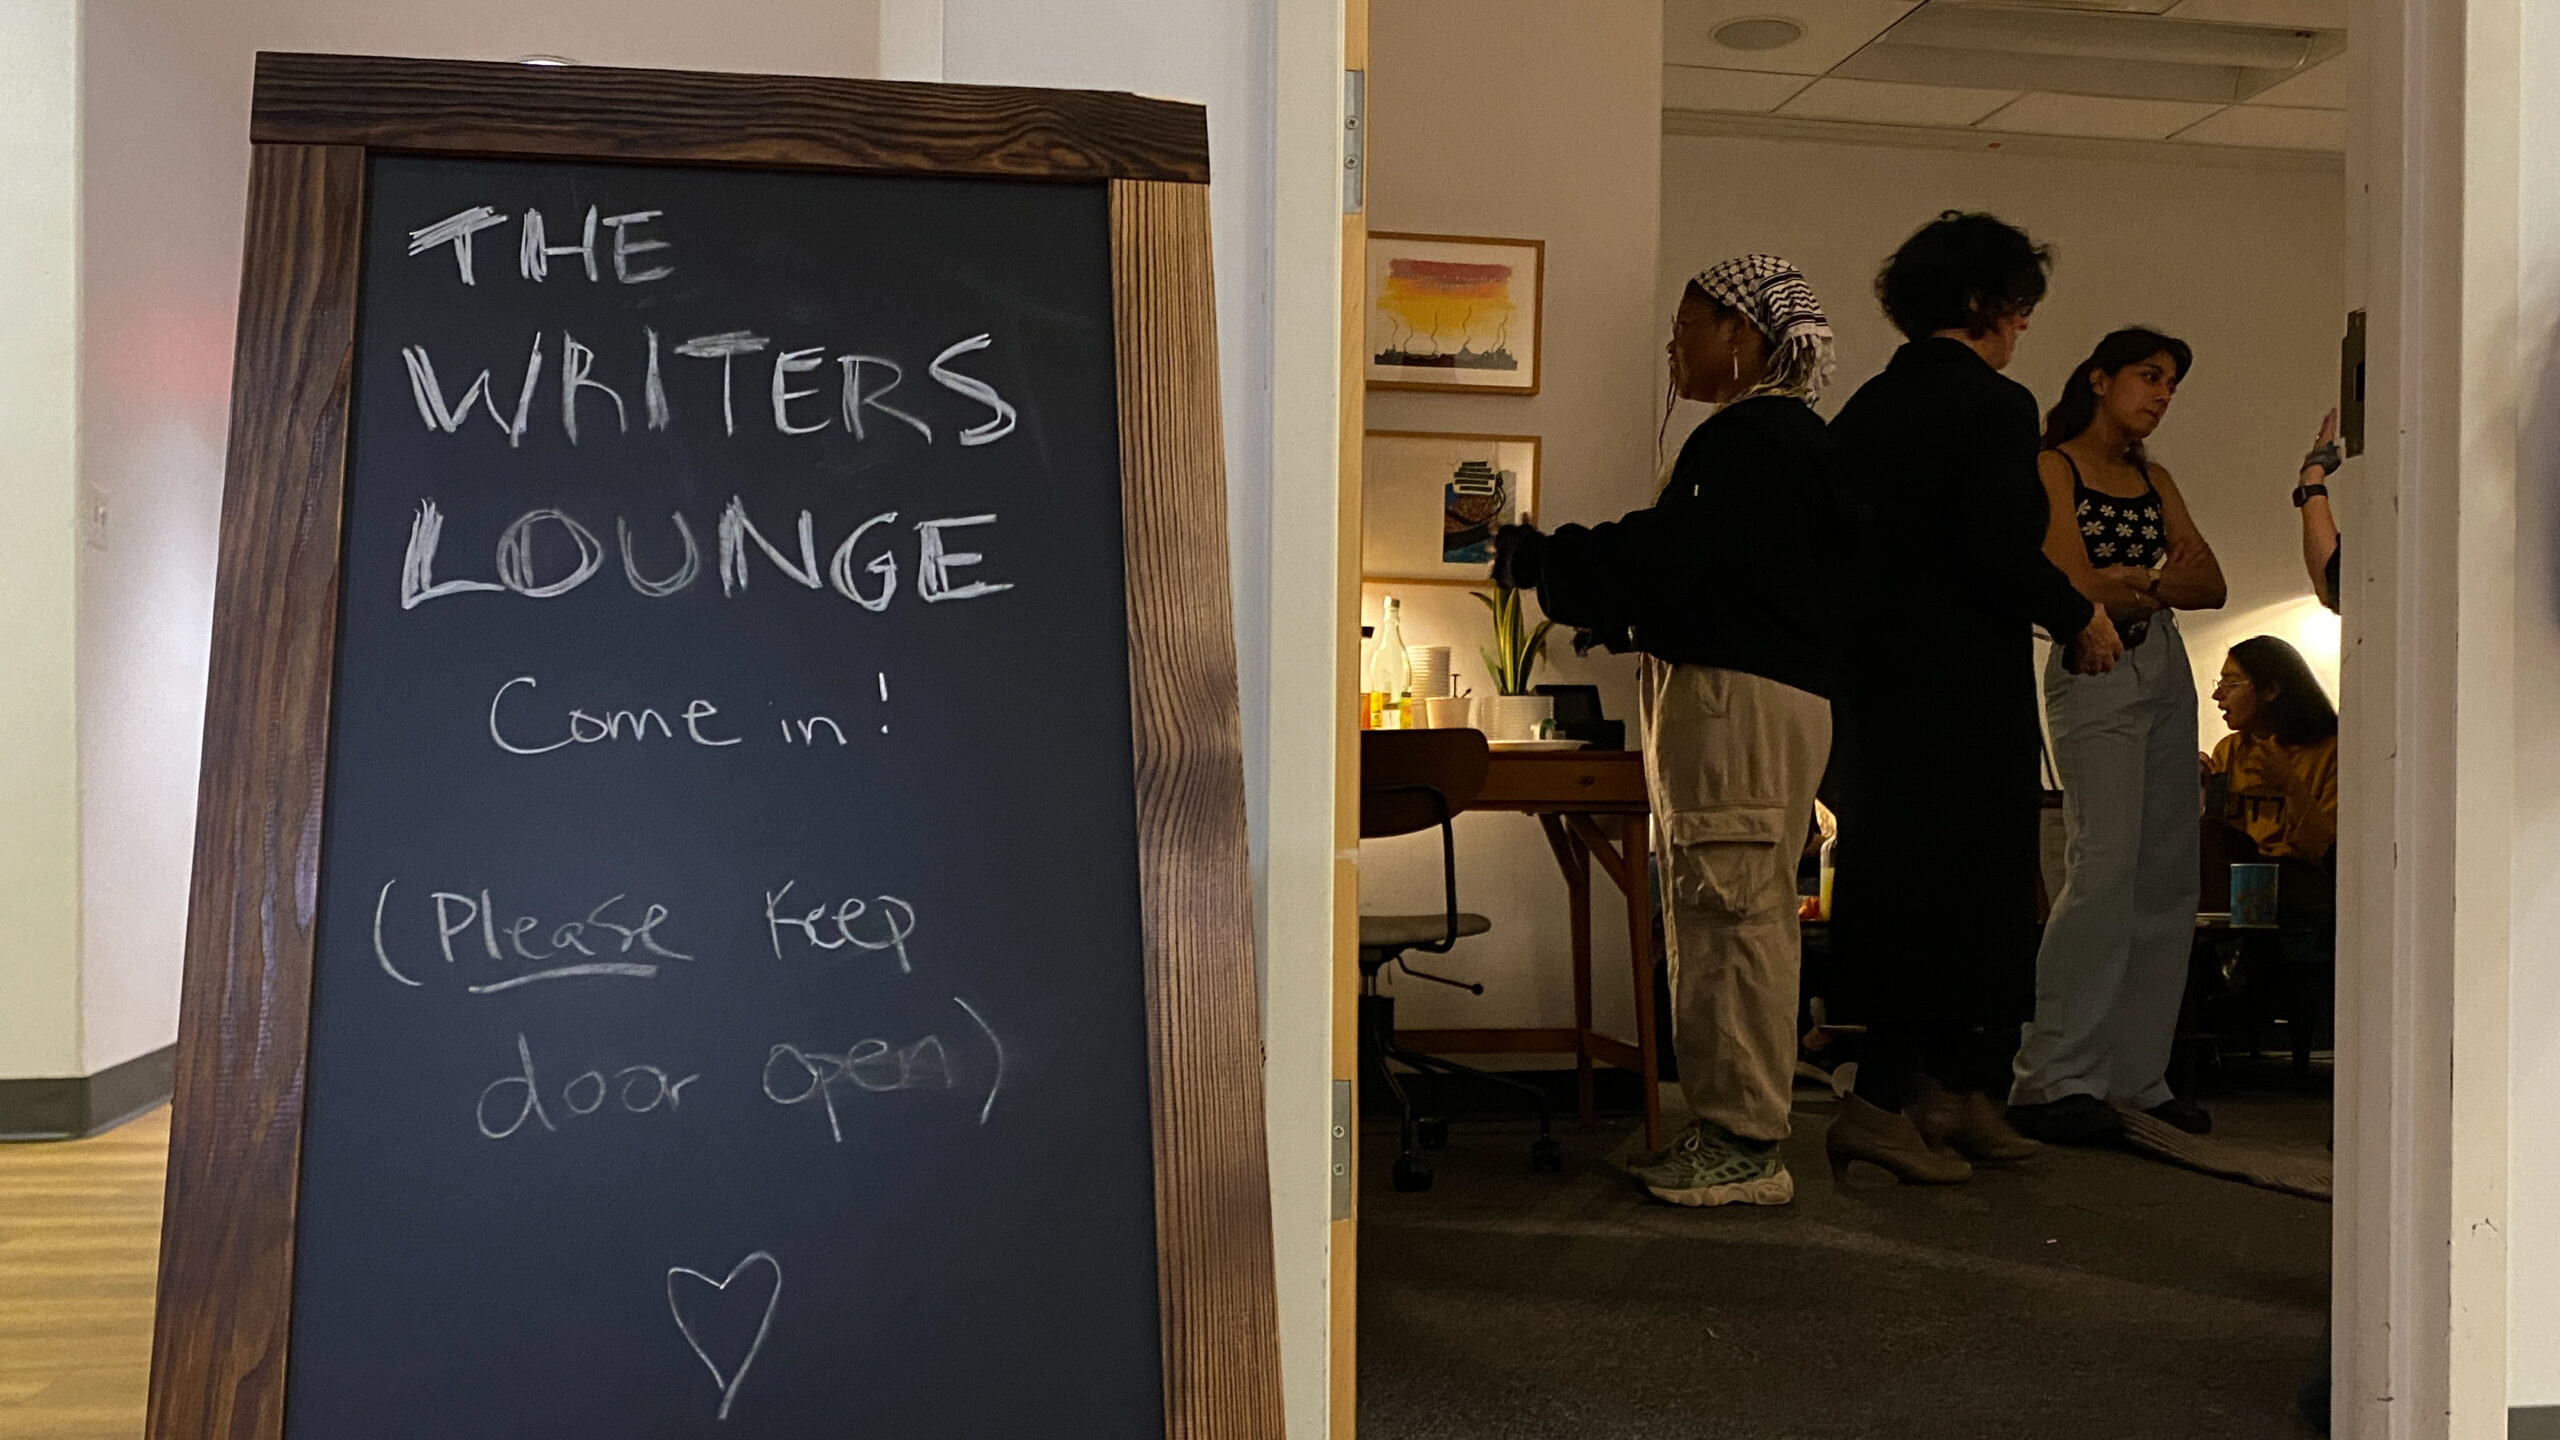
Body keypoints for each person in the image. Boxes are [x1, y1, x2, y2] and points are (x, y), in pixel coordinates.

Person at [1492, 254, 1842, 1207]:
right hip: (1741, 695)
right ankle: (1728, 1127)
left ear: (1742, 335)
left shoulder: (1754, 441)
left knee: (1731, 912)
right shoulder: (1781, 442)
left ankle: (1743, 1143)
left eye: (1689, 325)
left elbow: (1671, 554)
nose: (1674, 344)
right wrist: (1634, 616)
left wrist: (1547, 561)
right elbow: (1721, 575)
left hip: (1737, 704)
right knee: (1719, 903)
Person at [1823, 211, 2123, 1186]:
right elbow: (1995, 550)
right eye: (2017, 304)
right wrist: (2077, 611)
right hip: (1957, 691)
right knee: (1968, 894)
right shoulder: (1993, 405)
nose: (2024, 324)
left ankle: (1954, 1096)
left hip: (1874, 694)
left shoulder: (1867, 408)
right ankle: (1880, 1104)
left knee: (1911, 889)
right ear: (1984, 304)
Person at [2007, 329, 2228, 1144]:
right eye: (2148, 376)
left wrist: (2135, 584)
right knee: (2101, 866)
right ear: (2099, 380)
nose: (2161, 395)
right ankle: (2056, 1073)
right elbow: (2069, 580)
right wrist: (2147, 584)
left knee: (2168, 871)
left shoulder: (2152, 476)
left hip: (2162, 663)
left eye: (2170, 382)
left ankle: (2139, 1075)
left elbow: (2211, 581)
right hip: (2093, 660)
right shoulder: (2054, 466)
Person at [2204, 637, 2338, 865]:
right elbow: (2218, 841)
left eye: (2232, 684)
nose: (2218, 696)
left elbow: (2328, 849)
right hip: (2238, 878)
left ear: (2271, 690)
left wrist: (2290, 785)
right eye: (2220, 684)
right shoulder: (2228, 750)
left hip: (2301, 878)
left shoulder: (2329, 752)